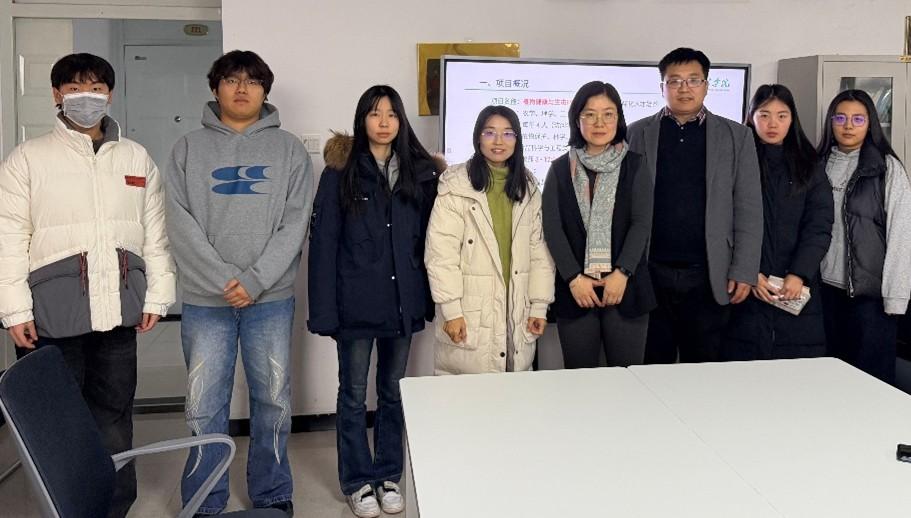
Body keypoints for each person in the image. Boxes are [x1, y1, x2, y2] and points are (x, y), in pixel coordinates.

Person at [0, 52, 176, 517]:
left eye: (96, 88)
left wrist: (157, 295)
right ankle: (67, 508)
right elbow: (8, 239)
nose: (86, 97)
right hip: (50, 317)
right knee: (55, 422)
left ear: (109, 95)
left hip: (117, 313)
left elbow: (154, 234)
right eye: (75, 88)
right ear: (56, 95)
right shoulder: (27, 159)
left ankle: (113, 507)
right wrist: (14, 310)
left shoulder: (135, 156)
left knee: (114, 416)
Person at [163, 50, 313, 516]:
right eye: (231, 80)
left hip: (271, 300)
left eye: (252, 81)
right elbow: (178, 222)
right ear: (216, 89)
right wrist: (226, 280)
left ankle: (272, 493)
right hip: (206, 302)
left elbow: (295, 223)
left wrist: (255, 280)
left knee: (274, 400)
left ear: (265, 90)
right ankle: (205, 500)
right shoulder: (187, 148)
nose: (242, 88)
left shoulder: (289, 149)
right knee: (204, 405)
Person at [308, 85, 444, 518]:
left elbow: (431, 241)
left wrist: (428, 299)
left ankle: (388, 475)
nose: (383, 122)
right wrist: (324, 311)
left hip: (402, 300)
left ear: (401, 121)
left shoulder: (420, 174)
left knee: (392, 392)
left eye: (391, 114)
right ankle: (356, 481)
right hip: (355, 303)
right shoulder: (341, 172)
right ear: (361, 120)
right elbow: (323, 243)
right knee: (352, 395)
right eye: (374, 113)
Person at [627, 47, 763, 364]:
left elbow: (748, 209)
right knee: (650, 367)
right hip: (651, 272)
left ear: (706, 85)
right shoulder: (636, 133)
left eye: (693, 80)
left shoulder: (737, 137)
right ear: (662, 87)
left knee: (703, 371)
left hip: (710, 274)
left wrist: (744, 270)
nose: (684, 88)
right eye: (674, 81)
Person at [425, 105, 555, 375]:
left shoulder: (528, 187)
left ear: (517, 140)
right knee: (468, 394)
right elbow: (441, 254)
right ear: (478, 138)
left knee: (514, 393)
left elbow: (539, 253)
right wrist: (451, 311)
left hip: (517, 311)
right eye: (489, 132)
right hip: (471, 313)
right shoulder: (456, 186)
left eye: (508, 133)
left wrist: (539, 306)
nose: (498, 141)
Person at [542, 81, 655, 368]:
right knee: (581, 382)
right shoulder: (559, 169)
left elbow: (641, 223)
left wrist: (622, 273)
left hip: (627, 289)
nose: (599, 123)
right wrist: (573, 278)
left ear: (619, 118)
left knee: (628, 379)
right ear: (576, 119)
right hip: (577, 293)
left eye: (608, 114)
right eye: (589, 114)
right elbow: (553, 228)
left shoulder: (636, 165)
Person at [724, 84, 833, 360]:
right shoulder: (735, 163)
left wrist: (799, 273)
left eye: (781, 116)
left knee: (794, 373)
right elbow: (724, 223)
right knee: (741, 370)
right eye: (764, 115)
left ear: (792, 119)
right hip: (746, 286)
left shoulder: (810, 165)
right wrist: (749, 271)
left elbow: (818, 226)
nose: (773, 123)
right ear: (751, 118)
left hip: (795, 288)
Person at [817, 89, 911, 384]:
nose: (848, 126)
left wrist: (895, 298)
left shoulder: (887, 168)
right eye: (840, 118)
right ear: (831, 122)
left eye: (858, 119)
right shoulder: (817, 164)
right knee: (826, 380)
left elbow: (901, 235)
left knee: (869, 383)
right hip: (821, 294)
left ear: (870, 123)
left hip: (870, 298)